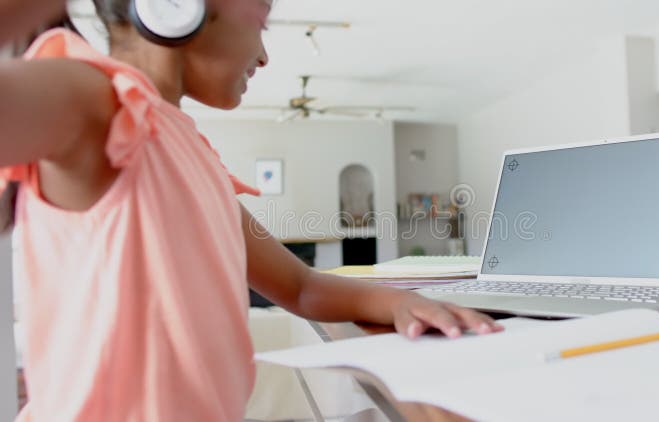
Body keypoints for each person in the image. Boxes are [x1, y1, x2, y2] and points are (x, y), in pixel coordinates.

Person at [0, 0, 503, 420]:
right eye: (261, 22)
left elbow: (301, 286)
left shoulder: (195, 157)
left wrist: (397, 305)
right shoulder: (96, 101)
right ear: (178, 7)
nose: (263, 57)